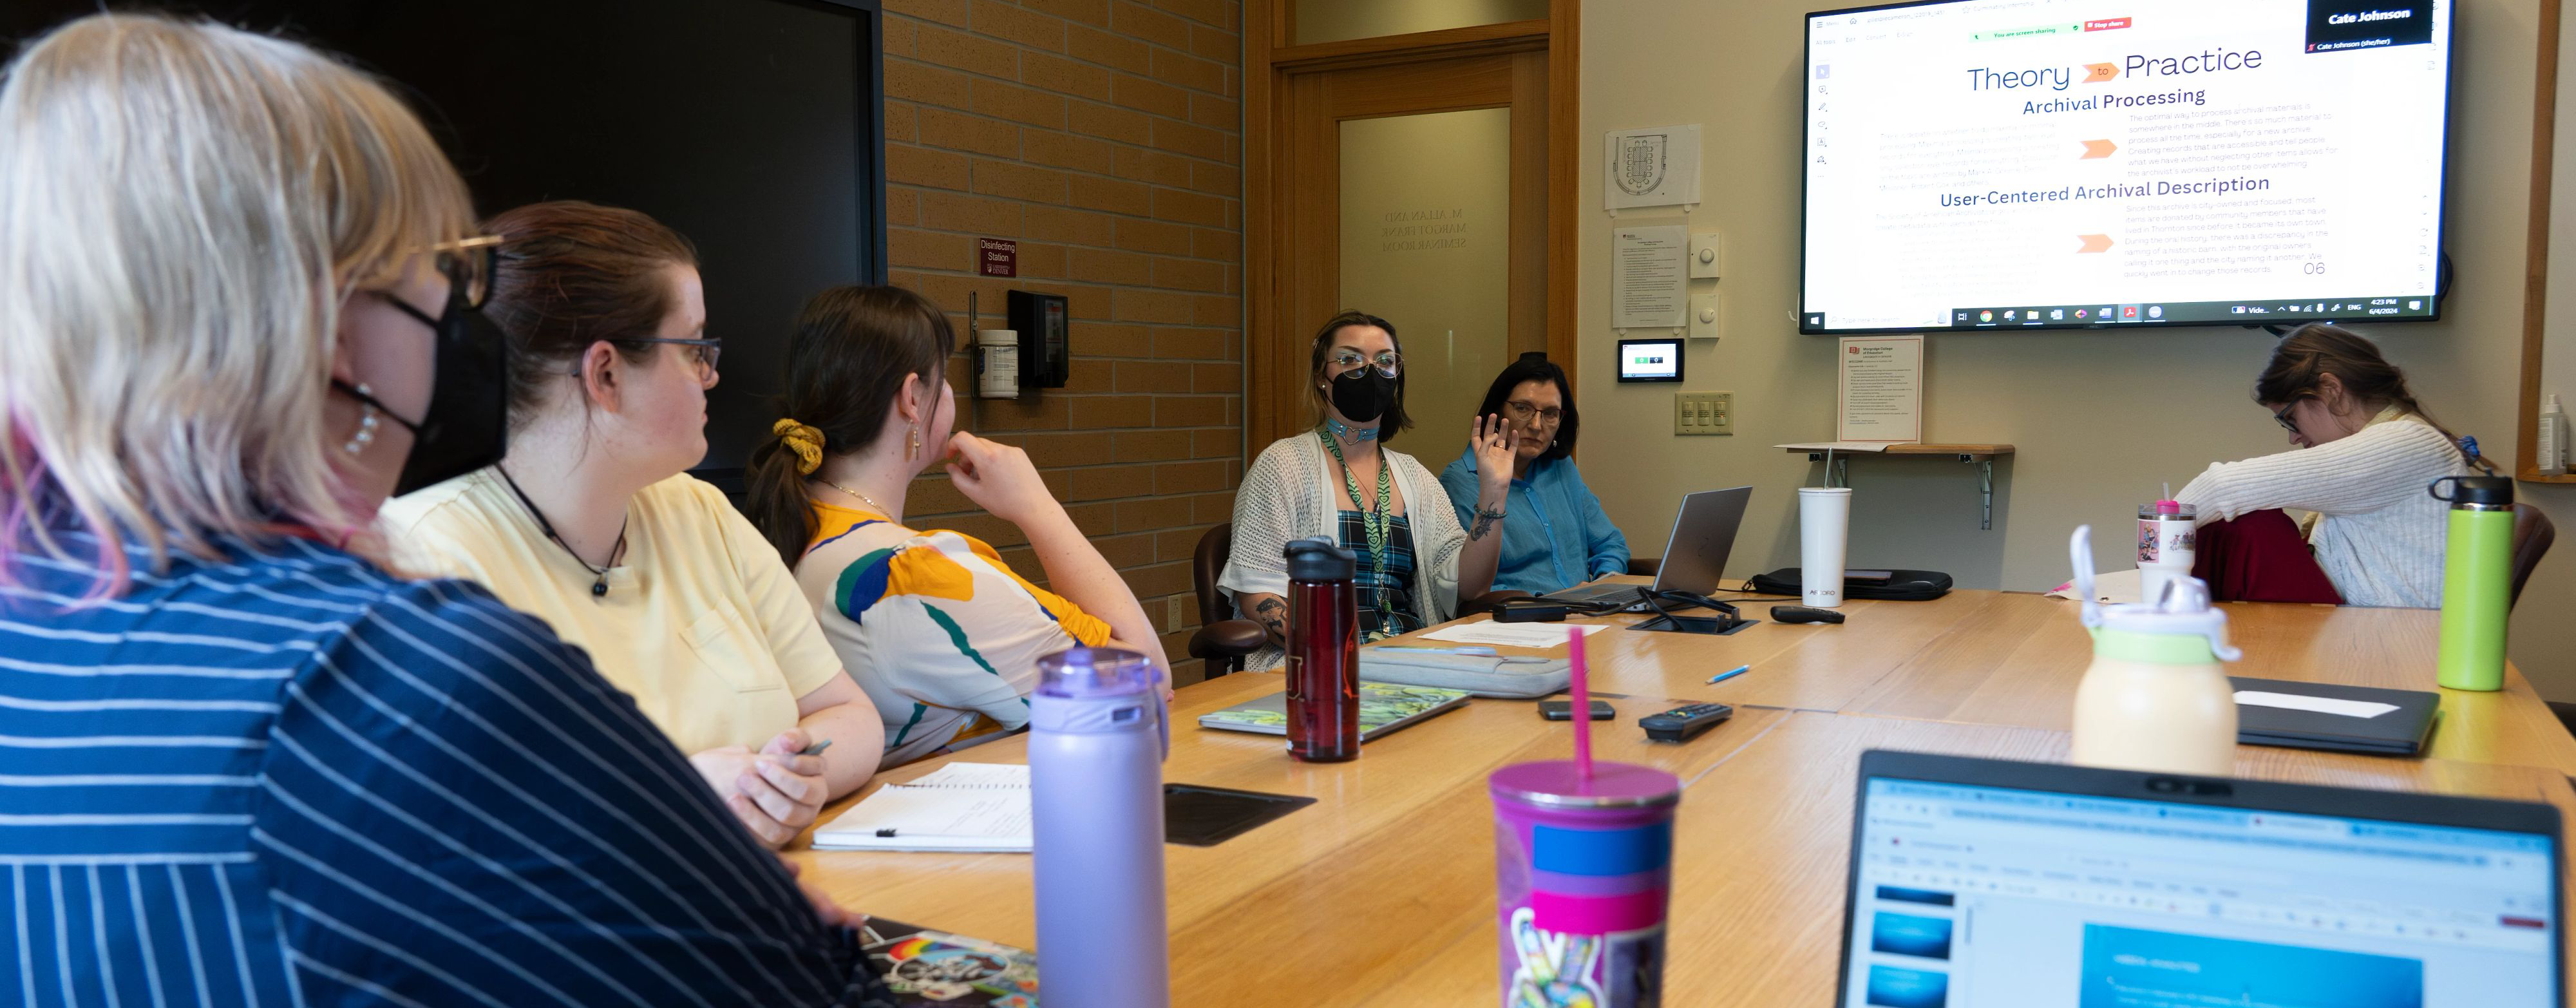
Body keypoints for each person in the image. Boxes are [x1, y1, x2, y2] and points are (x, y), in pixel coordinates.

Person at [0, 14, 893, 1004]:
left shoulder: (38, 652)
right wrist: (778, 931)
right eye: (442, 282)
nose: (453, 333)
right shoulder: (411, 668)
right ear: (330, 326)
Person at [379, 200, 883, 847]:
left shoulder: (698, 512)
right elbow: (444, 831)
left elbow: (849, 716)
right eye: (696, 347)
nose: (714, 373)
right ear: (606, 372)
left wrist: (787, 783)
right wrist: (680, 800)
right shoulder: (424, 556)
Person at [741, 285, 1170, 768]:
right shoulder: (910, 573)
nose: (949, 392)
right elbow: (1146, 679)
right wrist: (1037, 506)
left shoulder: (786, 530)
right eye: (943, 377)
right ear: (911, 398)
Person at [1220, 310, 1520, 669]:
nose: (1371, 372)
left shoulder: (1415, 476)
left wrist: (1494, 490)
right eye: (1350, 360)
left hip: (1416, 663)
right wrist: (1337, 658)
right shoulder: (1281, 465)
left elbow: (1468, 587)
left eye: (1385, 362)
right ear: (1322, 376)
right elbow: (1257, 590)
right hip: (1318, 667)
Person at [2174, 325, 2476, 607]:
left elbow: (2222, 486)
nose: (2293, 437)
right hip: (2370, 626)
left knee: (2252, 527)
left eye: (2290, 419)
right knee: (2248, 528)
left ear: (2331, 389)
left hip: (2391, 636)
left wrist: (2152, 548)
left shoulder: (2407, 443)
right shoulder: (2407, 439)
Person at [1439, 352, 1630, 594]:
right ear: (1497, 411)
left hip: (1588, 615)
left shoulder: (1562, 468)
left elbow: (1611, 544)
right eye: (1523, 408)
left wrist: (1601, 587)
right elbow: (1476, 587)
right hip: (1521, 620)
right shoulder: (1462, 479)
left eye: (1550, 414)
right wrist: (1550, 607)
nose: (1537, 425)